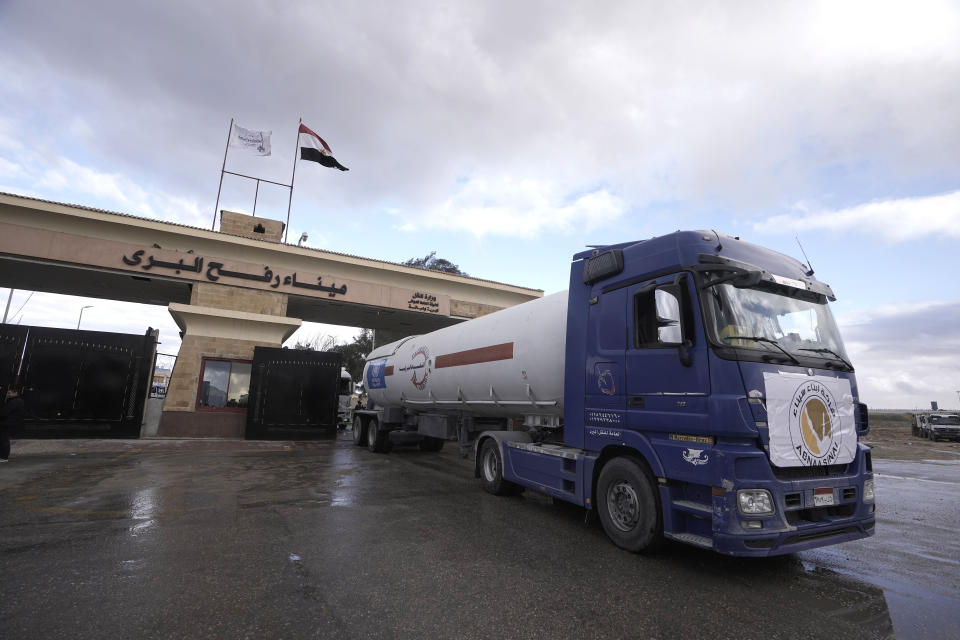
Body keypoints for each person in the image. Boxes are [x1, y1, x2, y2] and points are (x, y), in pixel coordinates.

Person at [0, 386, 25, 462]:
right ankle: (3, 457)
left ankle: (4, 457)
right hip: (8, 423)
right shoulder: (16, 401)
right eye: (7, 393)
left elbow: (4, 412)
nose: (8, 394)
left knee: (4, 440)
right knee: (3, 439)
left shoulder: (14, 401)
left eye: (10, 393)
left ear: (15, 393)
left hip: (6, 423)